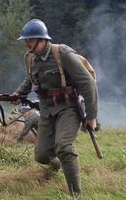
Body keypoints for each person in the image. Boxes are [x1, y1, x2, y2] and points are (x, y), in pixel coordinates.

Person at [13, 19, 98, 196]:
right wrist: (17, 94)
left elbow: (88, 83)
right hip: (46, 111)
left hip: (69, 108)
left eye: (30, 40)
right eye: (25, 41)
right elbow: (30, 80)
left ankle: (75, 194)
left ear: (42, 40)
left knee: (64, 147)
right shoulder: (30, 58)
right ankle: (60, 166)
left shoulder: (62, 54)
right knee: (42, 155)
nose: (27, 44)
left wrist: (91, 116)